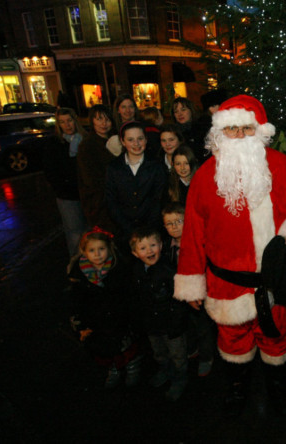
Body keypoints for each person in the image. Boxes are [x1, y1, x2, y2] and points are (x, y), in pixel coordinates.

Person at [174, 95, 286, 417]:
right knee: (233, 340)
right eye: (233, 129)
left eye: (247, 129)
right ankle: (237, 388)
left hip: (275, 281)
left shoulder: (281, 165)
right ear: (220, 133)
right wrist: (192, 281)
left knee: (278, 338)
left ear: (260, 131)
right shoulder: (205, 176)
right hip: (227, 285)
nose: (239, 136)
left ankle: (278, 387)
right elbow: (193, 231)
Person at [68, 227, 141, 389]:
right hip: (97, 322)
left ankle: (132, 366)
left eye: (101, 249)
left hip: (120, 320)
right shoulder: (79, 276)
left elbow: (129, 296)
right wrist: (80, 326)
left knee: (126, 348)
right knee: (105, 350)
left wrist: (133, 318)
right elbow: (76, 302)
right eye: (92, 250)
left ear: (109, 248)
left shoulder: (119, 269)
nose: (97, 254)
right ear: (84, 251)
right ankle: (113, 368)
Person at [130, 227, 188, 401]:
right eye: (143, 248)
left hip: (171, 325)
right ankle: (165, 370)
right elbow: (136, 300)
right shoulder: (136, 272)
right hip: (152, 325)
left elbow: (179, 299)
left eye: (153, 245)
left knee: (178, 354)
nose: (149, 250)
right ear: (134, 253)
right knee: (159, 352)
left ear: (161, 246)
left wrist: (177, 323)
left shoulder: (169, 271)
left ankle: (180, 378)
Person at [162, 202, 215, 376]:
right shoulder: (164, 247)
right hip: (177, 297)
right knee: (187, 326)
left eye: (179, 221)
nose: (174, 227)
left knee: (203, 327)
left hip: (198, 293)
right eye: (169, 223)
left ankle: (207, 357)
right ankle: (192, 350)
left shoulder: (197, 242)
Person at [104, 121, 167, 250]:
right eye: (130, 140)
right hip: (124, 233)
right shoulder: (113, 167)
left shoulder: (157, 165)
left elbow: (159, 199)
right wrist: (128, 229)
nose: (136, 144)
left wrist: (147, 229)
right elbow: (111, 201)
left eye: (140, 139)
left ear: (146, 139)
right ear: (123, 141)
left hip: (152, 231)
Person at [43, 107, 88, 256]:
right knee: (74, 232)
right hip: (67, 195)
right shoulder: (54, 144)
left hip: (87, 193)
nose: (67, 125)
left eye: (69, 121)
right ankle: (76, 265)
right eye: (62, 122)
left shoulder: (85, 140)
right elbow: (50, 170)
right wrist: (61, 187)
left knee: (90, 232)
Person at [77, 104, 117, 232]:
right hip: (99, 202)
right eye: (99, 119)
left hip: (116, 199)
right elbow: (89, 179)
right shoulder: (87, 145)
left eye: (107, 119)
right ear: (92, 121)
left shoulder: (116, 140)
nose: (104, 123)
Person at [171, 97, 207, 165]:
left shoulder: (202, 130)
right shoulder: (173, 132)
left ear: (191, 110)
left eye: (183, 110)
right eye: (176, 111)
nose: (180, 114)